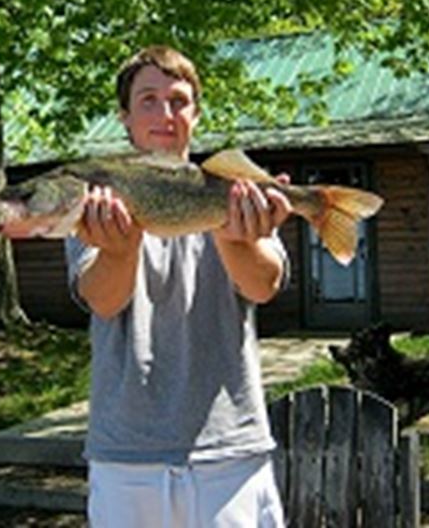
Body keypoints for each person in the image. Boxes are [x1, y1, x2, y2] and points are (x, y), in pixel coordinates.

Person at [65, 45, 292, 527]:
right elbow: (102, 300)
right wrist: (119, 250)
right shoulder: (94, 198)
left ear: (196, 114)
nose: (165, 114)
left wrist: (237, 240)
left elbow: (264, 284)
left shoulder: (237, 194)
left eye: (178, 100)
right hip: (126, 456)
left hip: (231, 452)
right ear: (124, 117)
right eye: (148, 100)